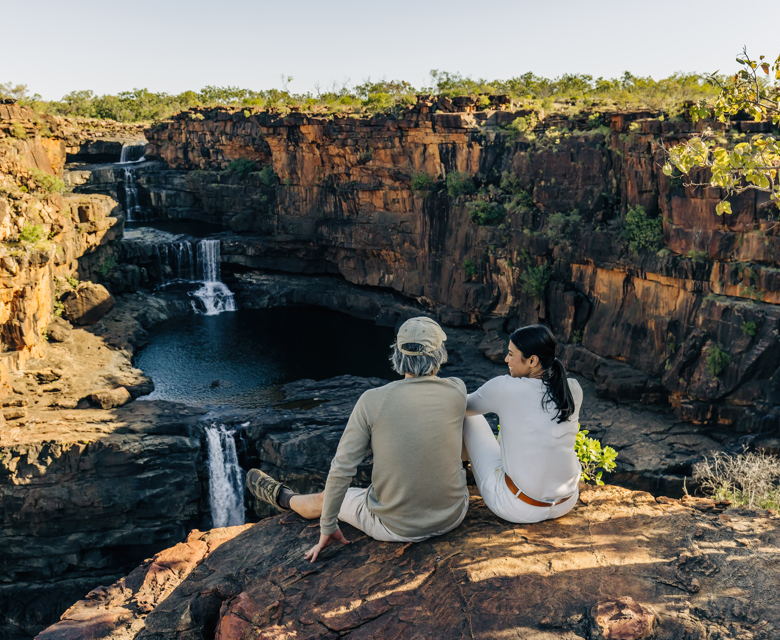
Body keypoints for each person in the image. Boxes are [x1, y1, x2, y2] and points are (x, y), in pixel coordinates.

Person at [246, 316, 469, 562]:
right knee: (472, 418)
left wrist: (328, 525)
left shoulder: (372, 400)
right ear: (439, 355)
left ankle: (285, 498)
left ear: (397, 356)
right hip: (453, 516)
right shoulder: (457, 389)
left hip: (393, 528)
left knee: (328, 498)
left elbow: (342, 468)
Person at [463, 324, 583, 524]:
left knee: (470, 418)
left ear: (532, 361)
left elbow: (462, 406)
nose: (506, 359)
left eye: (511, 354)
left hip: (518, 508)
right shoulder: (572, 389)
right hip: (566, 502)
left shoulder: (505, 388)